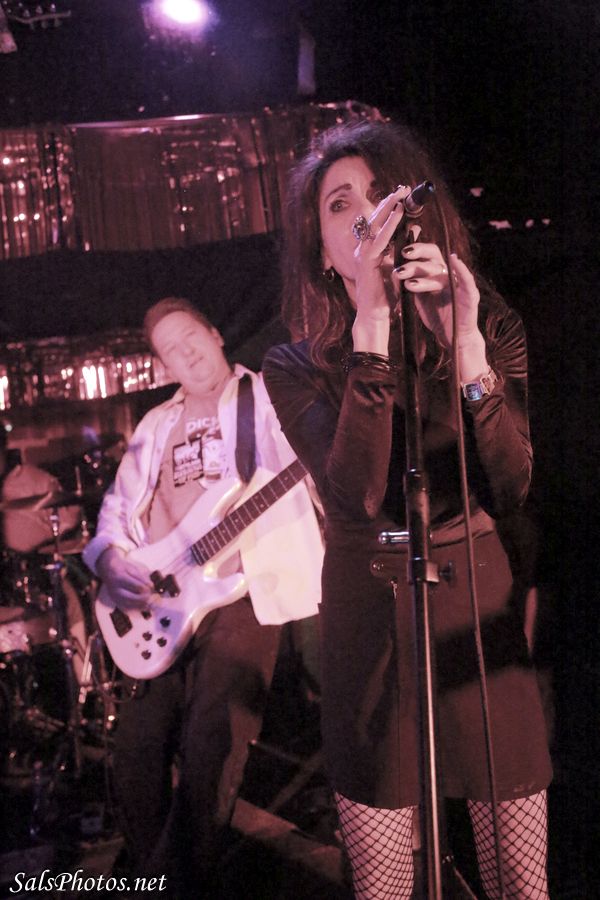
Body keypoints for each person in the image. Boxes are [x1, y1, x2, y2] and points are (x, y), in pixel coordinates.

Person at [262, 119, 553, 899]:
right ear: (323, 251)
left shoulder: (487, 324)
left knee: (521, 883)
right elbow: (355, 494)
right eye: (339, 205)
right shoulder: (291, 366)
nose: (365, 216)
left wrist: (465, 348)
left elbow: (512, 485)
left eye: (379, 195)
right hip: (369, 615)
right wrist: (373, 325)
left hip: (476, 607)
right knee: (386, 883)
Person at [82, 298, 323, 897]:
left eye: (190, 335)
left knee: (211, 742)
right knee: (135, 752)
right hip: (159, 600)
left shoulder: (269, 397)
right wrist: (109, 560)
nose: (185, 352)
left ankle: (177, 883)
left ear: (215, 334)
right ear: (163, 366)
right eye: (170, 349)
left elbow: (319, 470)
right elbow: (116, 510)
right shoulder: (155, 425)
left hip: (241, 591)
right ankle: (156, 876)